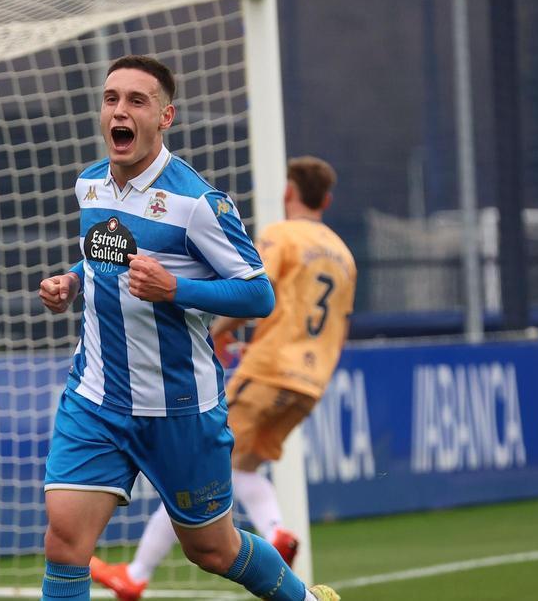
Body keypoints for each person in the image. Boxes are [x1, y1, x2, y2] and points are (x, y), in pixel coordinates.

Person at [37, 55, 339, 601]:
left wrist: (176, 290)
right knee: (64, 541)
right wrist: (72, 281)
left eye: (136, 100)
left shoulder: (198, 203)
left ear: (165, 116)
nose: (119, 111)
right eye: (111, 99)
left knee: (213, 551)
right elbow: (105, 255)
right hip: (96, 398)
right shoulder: (90, 186)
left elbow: (258, 292)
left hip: (179, 408)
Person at [90, 155, 356, 600]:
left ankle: (137, 575)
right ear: (326, 199)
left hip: (269, 370)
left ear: (288, 193)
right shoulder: (343, 254)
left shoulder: (281, 235)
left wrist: (214, 335)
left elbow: (252, 287)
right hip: (311, 381)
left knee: (190, 477)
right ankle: (276, 532)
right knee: (240, 468)